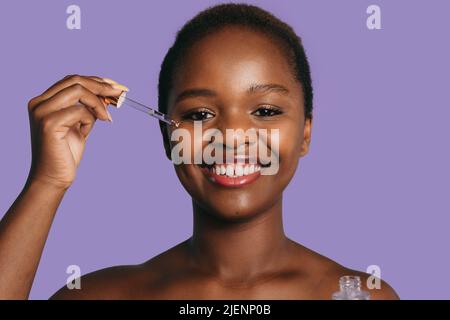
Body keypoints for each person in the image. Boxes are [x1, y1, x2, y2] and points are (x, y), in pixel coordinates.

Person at [0, 3, 399, 299]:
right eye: (200, 113)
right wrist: (46, 183)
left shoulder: (360, 294)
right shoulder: (97, 295)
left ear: (305, 134)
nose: (232, 136)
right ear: (166, 136)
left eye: (265, 111)